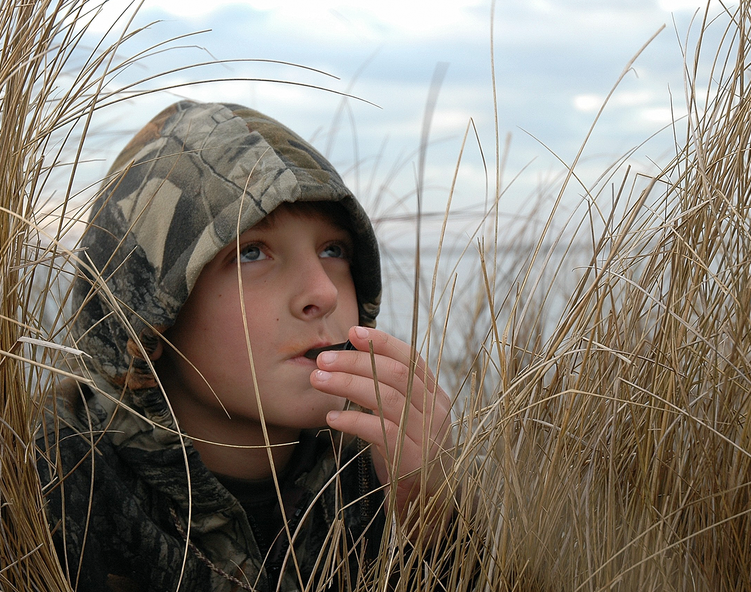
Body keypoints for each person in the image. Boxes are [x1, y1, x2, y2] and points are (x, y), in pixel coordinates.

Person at [35, 101, 456, 592]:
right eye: (251, 252)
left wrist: (433, 523)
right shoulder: (47, 484)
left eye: (333, 250)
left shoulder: (378, 474)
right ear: (151, 315)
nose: (323, 292)